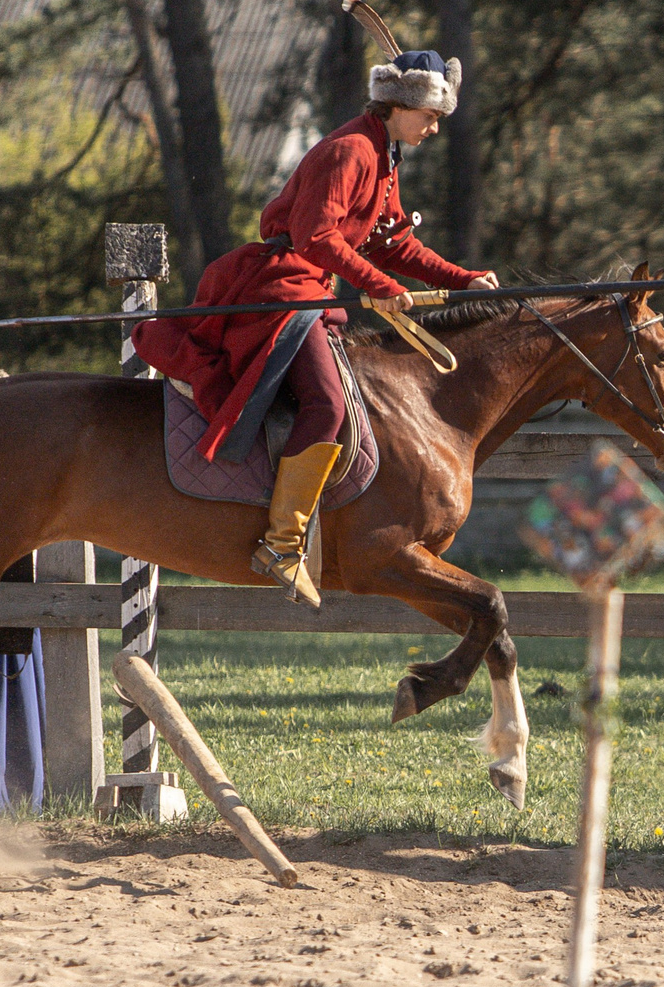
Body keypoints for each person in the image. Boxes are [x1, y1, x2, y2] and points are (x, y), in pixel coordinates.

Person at [132, 49, 496, 607]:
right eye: (430, 116)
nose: (434, 127)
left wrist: (463, 278)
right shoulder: (351, 150)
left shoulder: (384, 156)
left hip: (310, 290)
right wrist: (378, 286)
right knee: (327, 406)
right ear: (400, 106)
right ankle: (282, 544)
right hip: (279, 289)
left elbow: (395, 243)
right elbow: (315, 237)